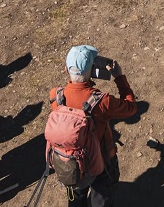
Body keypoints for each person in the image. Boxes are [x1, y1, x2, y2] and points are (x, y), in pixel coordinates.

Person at [49, 44, 138, 207]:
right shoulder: (102, 101)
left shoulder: (56, 95)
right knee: (101, 199)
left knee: (75, 197)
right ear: (92, 70)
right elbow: (131, 107)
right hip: (102, 161)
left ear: (66, 69)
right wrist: (119, 77)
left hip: (69, 163)